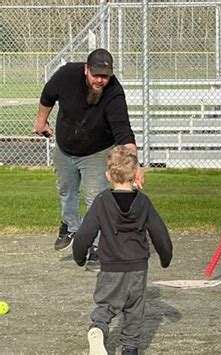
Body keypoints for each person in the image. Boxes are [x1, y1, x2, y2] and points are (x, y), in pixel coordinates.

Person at [33, 48, 143, 271]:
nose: (100, 80)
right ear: (86, 70)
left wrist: (134, 164)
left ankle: (96, 247)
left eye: (105, 75)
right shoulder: (66, 76)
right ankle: (71, 226)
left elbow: (123, 131)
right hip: (65, 147)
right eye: (96, 74)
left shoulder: (114, 93)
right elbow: (47, 96)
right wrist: (40, 122)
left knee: (95, 198)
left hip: (96, 150)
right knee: (66, 190)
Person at [72, 145, 173, 355]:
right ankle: (130, 348)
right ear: (136, 174)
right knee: (134, 309)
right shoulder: (143, 202)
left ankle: (98, 328)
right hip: (137, 268)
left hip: (110, 267)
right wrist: (165, 257)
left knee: (106, 304)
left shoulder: (101, 201)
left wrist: (79, 256)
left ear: (108, 175)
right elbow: (159, 233)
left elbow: (84, 234)